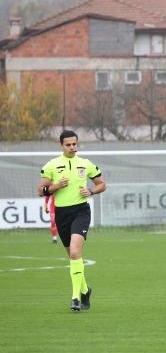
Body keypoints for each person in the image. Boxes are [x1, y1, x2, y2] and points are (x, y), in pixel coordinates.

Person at [38, 130, 106, 311]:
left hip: (81, 212)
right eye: (68, 145)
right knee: (73, 256)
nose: (72, 147)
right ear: (61, 145)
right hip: (62, 214)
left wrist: (91, 191)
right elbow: (41, 190)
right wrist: (56, 186)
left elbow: (102, 184)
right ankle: (85, 290)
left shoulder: (85, 164)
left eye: (74, 144)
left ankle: (75, 298)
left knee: (76, 251)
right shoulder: (52, 165)